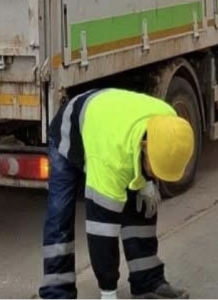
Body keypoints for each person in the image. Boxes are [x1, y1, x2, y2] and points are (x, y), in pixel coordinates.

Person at [38, 88, 195, 300]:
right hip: (71, 134)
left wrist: (147, 180)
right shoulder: (112, 161)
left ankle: (147, 282)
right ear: (144, 146)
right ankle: (57, 292)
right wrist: (108, 290)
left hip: (115, 125)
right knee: (60, 215)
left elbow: (149, 156)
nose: (157, 176)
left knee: (140, 206)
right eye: (154, 168)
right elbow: (101, 231)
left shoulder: (170, 124)